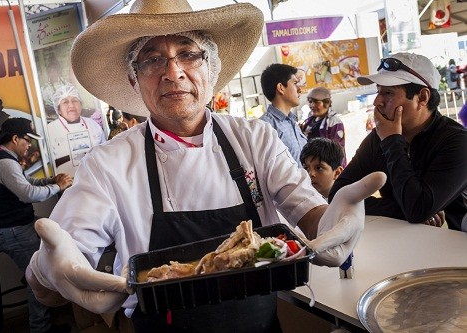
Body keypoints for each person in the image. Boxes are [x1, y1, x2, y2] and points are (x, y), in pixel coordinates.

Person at [25, 1, 385, 332]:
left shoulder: (253, 139)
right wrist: (47, 272)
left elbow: (310, 215)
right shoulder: (108, 164)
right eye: (152, 59)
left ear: (211, 69)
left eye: (188, 54)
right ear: (134, 79)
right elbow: (64, 260)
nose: (173, 72)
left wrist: (339, 218)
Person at [330, 52, 467, 231]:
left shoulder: (456, 142)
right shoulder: (378, 138)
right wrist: (402, 210)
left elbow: (417, 209)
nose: (377, 101)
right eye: (378, 91)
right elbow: (337, 195)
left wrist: (392, 141)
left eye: (388, 93)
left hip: (450, 248)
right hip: (398, 243)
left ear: (423, 98)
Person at [0, 118, 73, 333]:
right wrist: (58, 186)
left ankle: (43, 323)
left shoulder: (6, 159)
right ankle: (40, 329)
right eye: (27, 140)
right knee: (38, 279)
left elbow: (28, 183)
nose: (29, 146)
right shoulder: (4, 162)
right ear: (15, 138)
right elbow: (28, 194)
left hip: (17, 228)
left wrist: (52, 180)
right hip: (13, 232)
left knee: (40, 272)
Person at [46, 84, 106, 175]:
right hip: (68, 182)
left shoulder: (93, 125)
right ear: (58, 110)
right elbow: (47, 163)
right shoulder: (50, 130)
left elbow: (104, 152)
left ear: (81, 105)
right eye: (65, 102)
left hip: (96, 177)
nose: (71, 105)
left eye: (75, 100)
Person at [259, 63, 308, 167]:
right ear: (281, 88)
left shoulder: (292, 122)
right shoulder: (265, 126)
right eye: (295, 83)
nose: (300, 90)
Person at [301, 87, 346, 166]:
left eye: (316, 102)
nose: (312, 105)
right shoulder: (309, 120)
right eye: (310, 102)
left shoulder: (334, 122)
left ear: (327, 103)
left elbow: (337, 151)